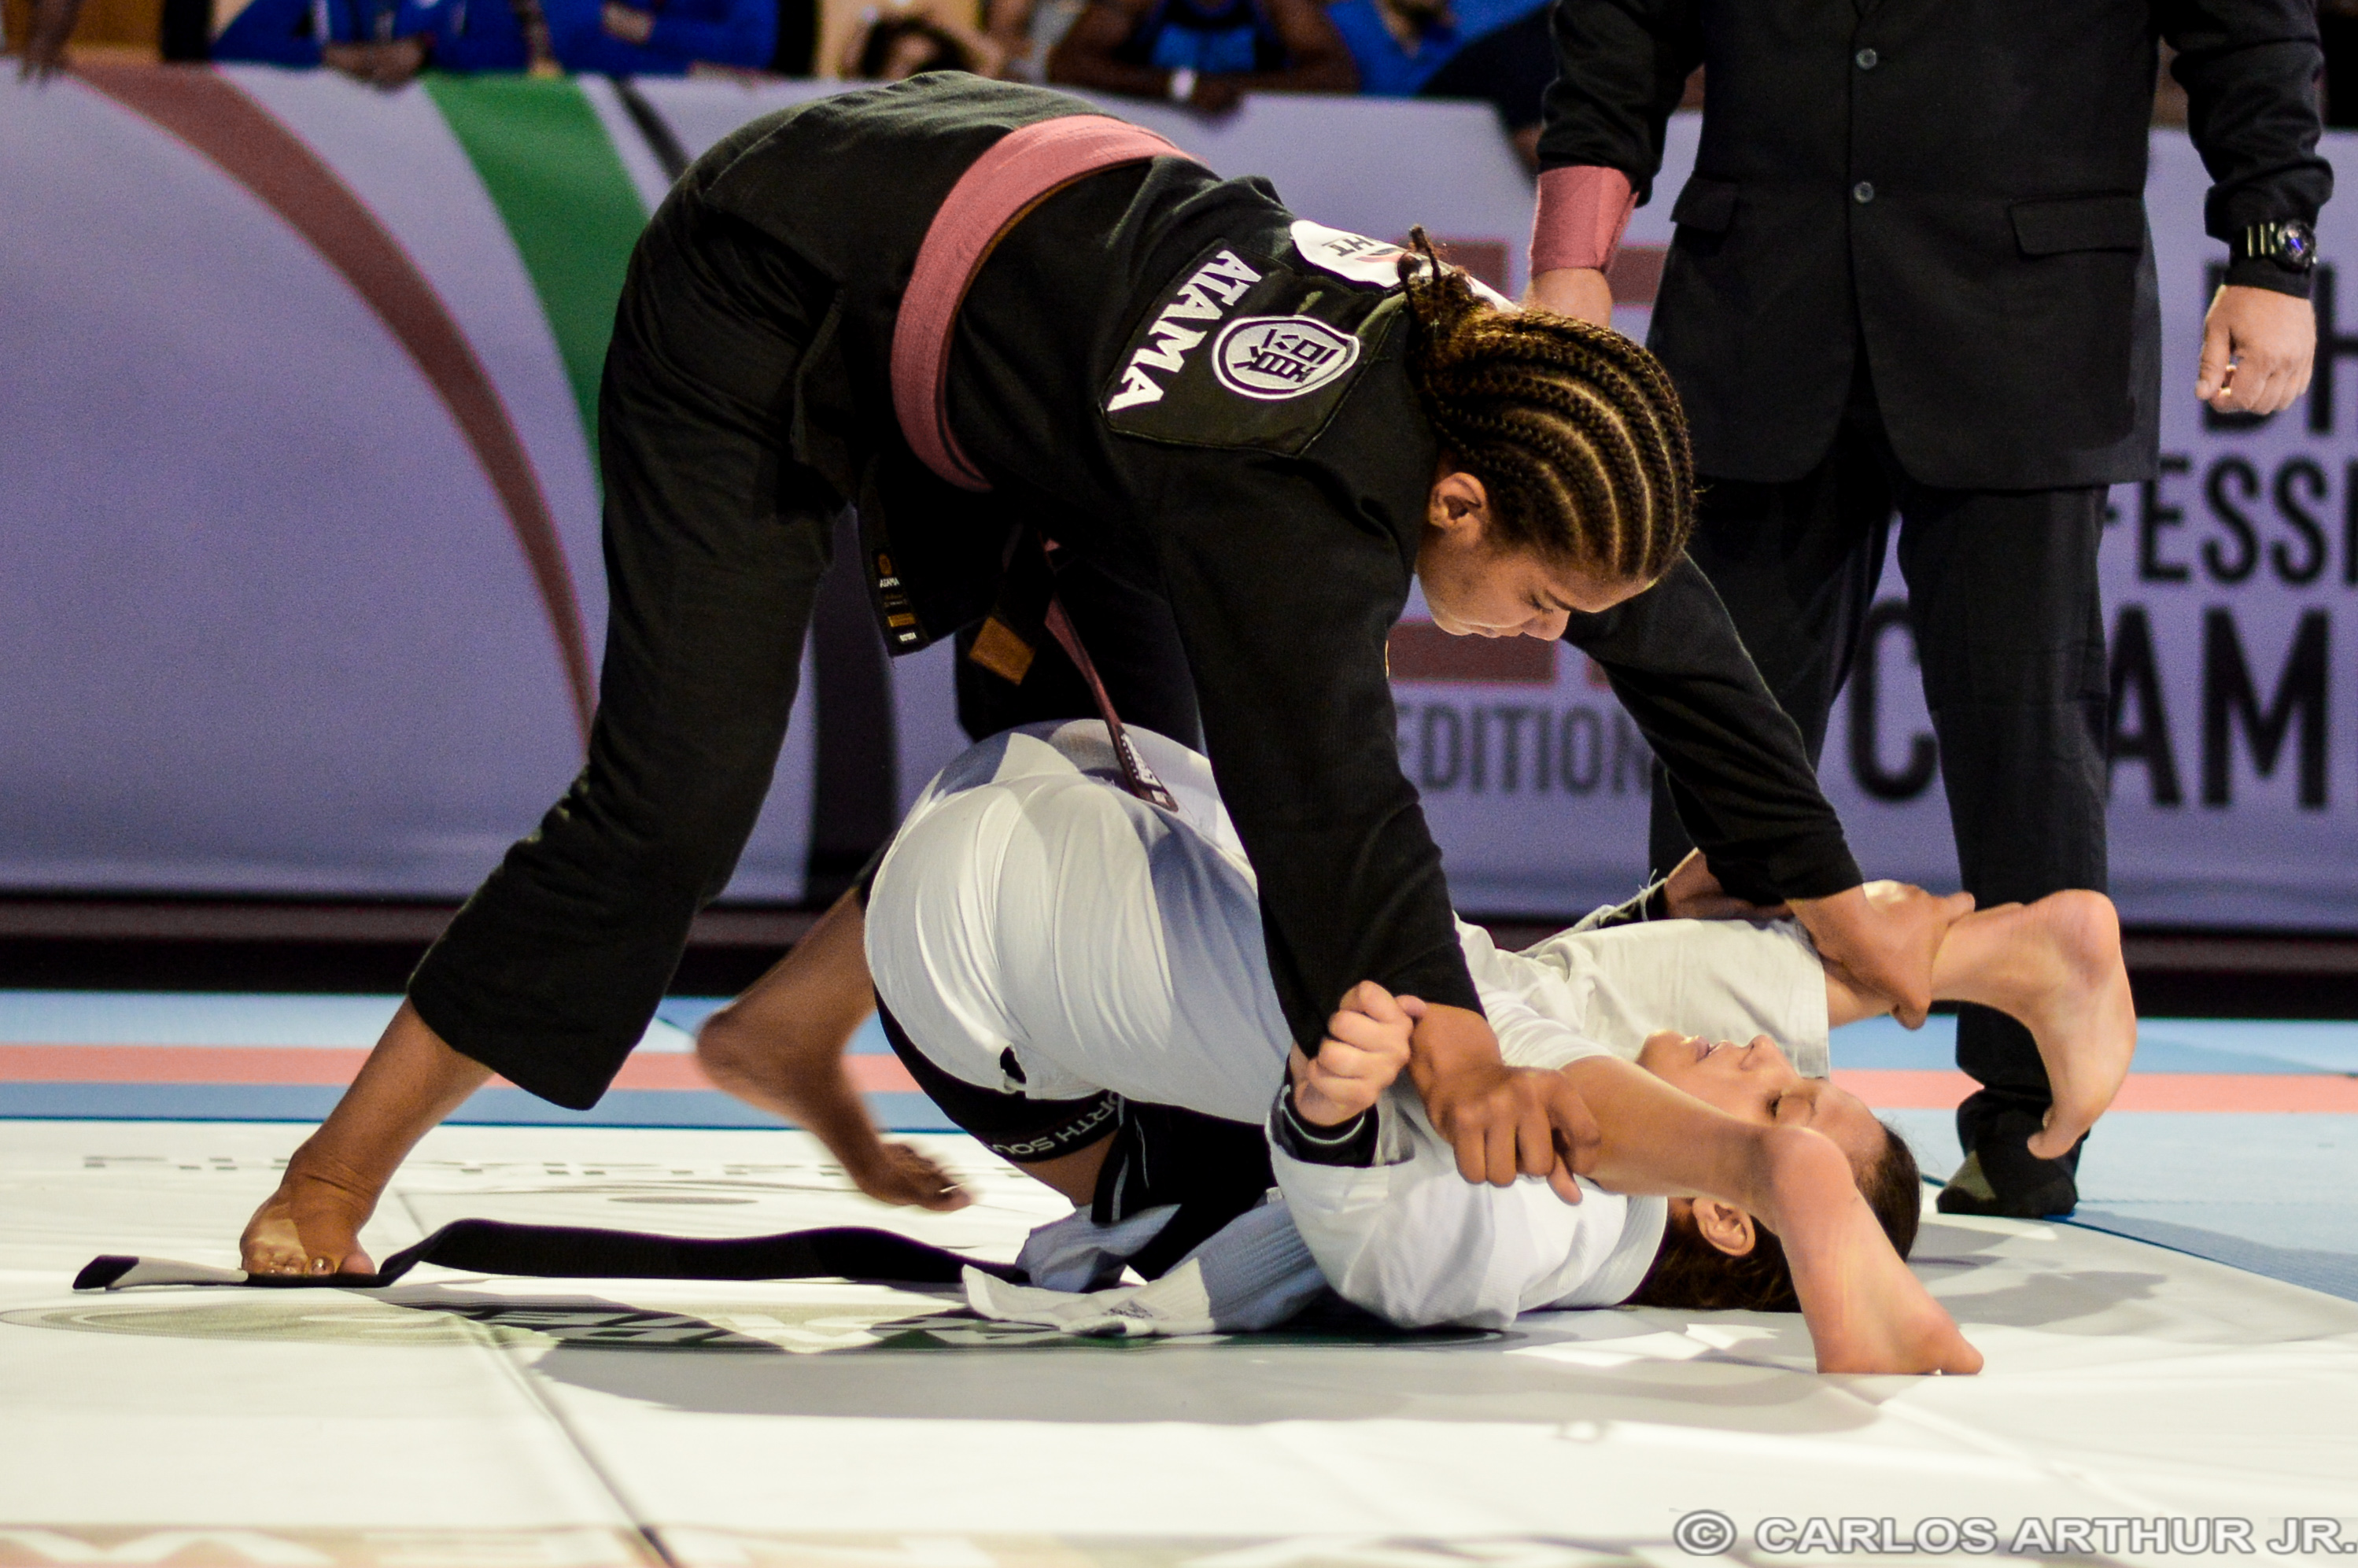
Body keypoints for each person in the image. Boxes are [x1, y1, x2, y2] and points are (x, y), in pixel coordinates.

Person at [240, 77, 1960, 1278]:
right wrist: (1451, 1053)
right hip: (775, 273)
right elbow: (1332, 803)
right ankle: (331, 1177)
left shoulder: (1506, 396)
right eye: (1532, 605)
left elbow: (1660, 620)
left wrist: (1816, 882)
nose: (1536, 635)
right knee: (675, 797)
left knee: (1119, 800)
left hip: (1046, 321)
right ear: (1453, 504)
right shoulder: (1288, 501)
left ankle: (798, 1024)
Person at [1520, 0, 2330, 1218]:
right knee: (1715, 741)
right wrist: (1568, 255)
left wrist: (2272, 250)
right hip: (1761, 307)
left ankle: (2030, 1127)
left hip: (2029, 319)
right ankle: (1701, 1115)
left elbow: (2250, 27)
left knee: (2024, 743)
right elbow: (1623, 16)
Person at [762, 715, 2121, 1369]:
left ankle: (1971, 967)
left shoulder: (1576, 1234)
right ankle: (1982, 964)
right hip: (1041, 849)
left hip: (1003, 916)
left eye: (1784, 1100)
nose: (1771, 1061)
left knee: (1469, 1036)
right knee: (1509, 1004)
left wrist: (1334, 1126)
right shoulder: (1575, 1094)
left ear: (1719, 1216)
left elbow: (1416, 1258)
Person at [1046, 0, 1354, 113]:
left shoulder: (1277, 5)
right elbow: (1067, 65)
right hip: (1153, 143)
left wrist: (1231, 88)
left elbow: (1338, 74)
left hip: (1255, 148)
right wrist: (1179, 86)